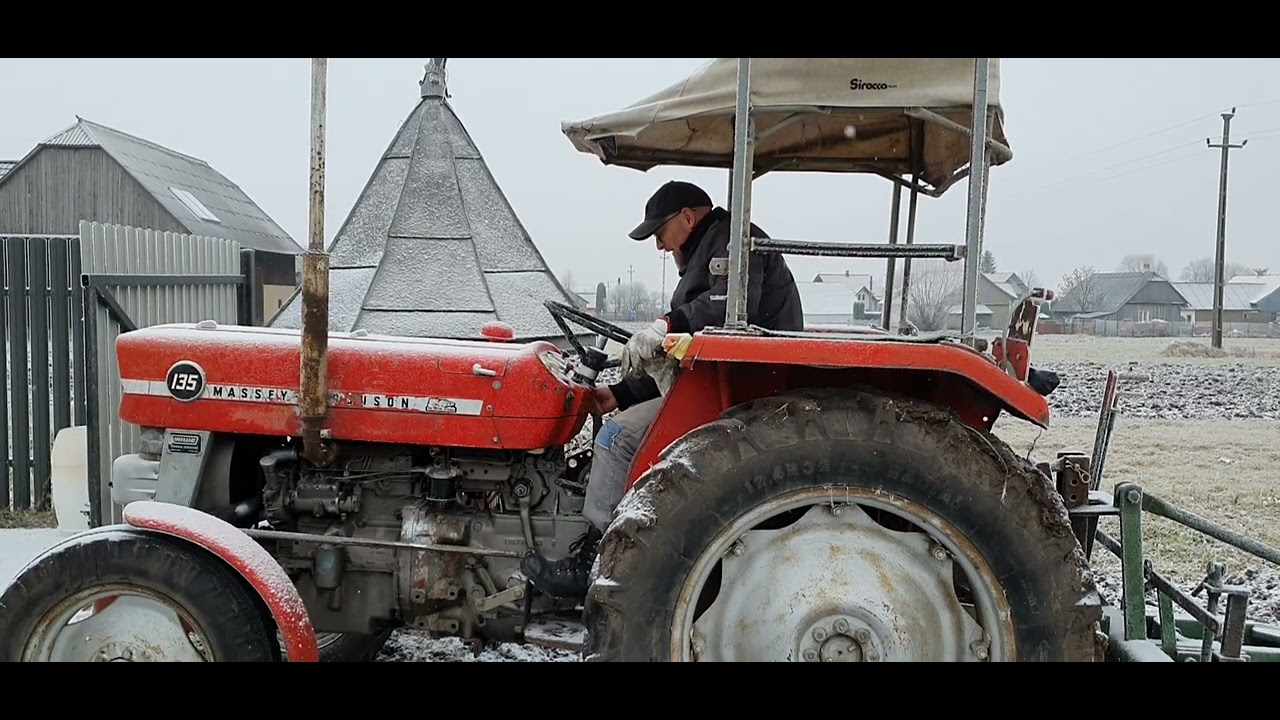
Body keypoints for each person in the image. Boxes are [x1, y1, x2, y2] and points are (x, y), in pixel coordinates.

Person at [520, 180, 804, 601]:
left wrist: (665, 324)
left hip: (738, 388)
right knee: (621, 422)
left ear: (688, 217)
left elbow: (723, 308)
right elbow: (678, 352)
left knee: (615, 439)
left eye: (660, 234)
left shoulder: (733, 242)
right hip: (715, 380)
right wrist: (619, 393)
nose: (658, 246)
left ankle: (596, 559)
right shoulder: (711, 248)